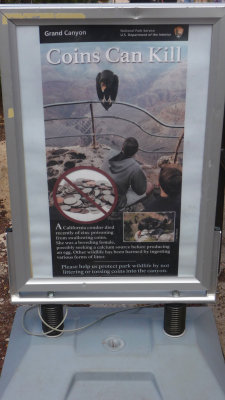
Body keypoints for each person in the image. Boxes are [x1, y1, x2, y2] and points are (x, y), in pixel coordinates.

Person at [102, 137, 153, 210]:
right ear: (136, 151)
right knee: (150, 186)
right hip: (116, 200)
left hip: (102, 190)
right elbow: (140, 191)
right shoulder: (135, 168)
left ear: (122, 147)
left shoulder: (111, 152)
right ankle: (123, 208)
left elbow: (123, 164)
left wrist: (141, 167)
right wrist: (144, 178)